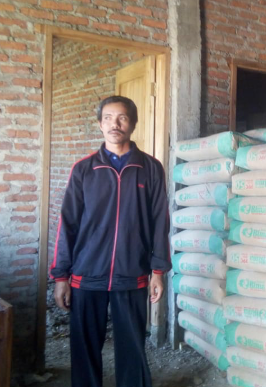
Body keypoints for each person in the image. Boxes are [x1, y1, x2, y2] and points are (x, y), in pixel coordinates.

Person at [50, 95, 171, 387]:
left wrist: (158, 271)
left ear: (133, 123)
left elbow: (160, 222)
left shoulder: (150, 168)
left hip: (132, 273)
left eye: (122, 118)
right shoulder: (84, 169)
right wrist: (60, 276)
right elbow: (68, 224)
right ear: (100, 124)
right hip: (86, 273)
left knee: (132, 348)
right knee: (84, 348)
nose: (114, 124)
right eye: (108, 118)